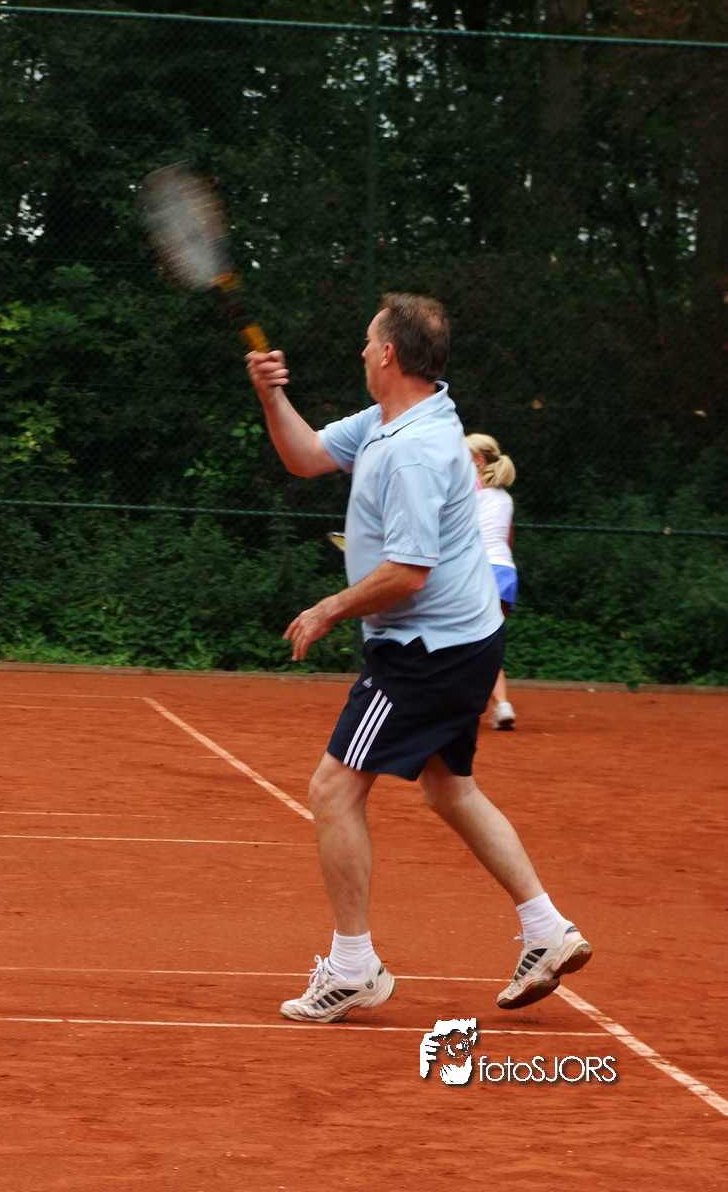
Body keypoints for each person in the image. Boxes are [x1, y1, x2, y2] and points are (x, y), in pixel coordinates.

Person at [245, 292, 591, 1022]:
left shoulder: (416, 451)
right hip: (462, 641)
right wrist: (272, 396)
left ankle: (353, 968)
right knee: (448, 788)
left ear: (388, 354)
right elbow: (306, 457)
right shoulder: (394, 419)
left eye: (368, 340)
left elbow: (408, 573)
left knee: (333, 790)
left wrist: (328, 608)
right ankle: (547, 930)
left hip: (426, 651)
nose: (361, 351)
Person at [466, 433, 518, 731]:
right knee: (487, 645)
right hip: (505, 573)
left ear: (477, 459)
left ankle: (458, 708)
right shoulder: (505, 498)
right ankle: (502, 705)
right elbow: (507, 541)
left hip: (476, 570)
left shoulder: (467, 490)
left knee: (458, 642)